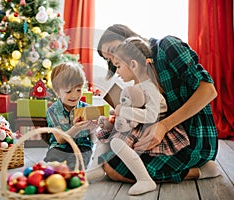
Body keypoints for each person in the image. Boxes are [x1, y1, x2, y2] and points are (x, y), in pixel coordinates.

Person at [94, 24, 221, 191]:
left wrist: (163, 126)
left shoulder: (167, 47)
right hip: (167, 138)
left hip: (194, 138)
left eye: (113, 49)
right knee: (110, 159)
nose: (114, 59)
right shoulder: (141, 74)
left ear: (127, 38)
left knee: (114, 170)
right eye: (109, 59)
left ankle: (199, 171)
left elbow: (209, 91)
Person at [88, 37, 191, 195]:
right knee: (104, 136)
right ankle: (95, 168)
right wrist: (117, 114)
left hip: (152, 127)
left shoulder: (150, 87)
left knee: (116, 143)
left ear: (133, 64)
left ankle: (144, 179)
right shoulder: (138, 86)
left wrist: (124, 111)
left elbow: (151, 115)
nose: (117, 72)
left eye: (118, 66)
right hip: (138, 126)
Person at [43, 62, 96, 170]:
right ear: (57, 92)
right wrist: (76, 128)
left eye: (78, 90)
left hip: (82, 146)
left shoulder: (87, 109)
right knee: (52, 162)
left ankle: (72, 173)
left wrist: (93, 129)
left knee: (78, 163)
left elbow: (92, 140)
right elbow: (60, 140)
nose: (74, 95)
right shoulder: (52, 111)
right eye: (68, 91)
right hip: (59, 147)